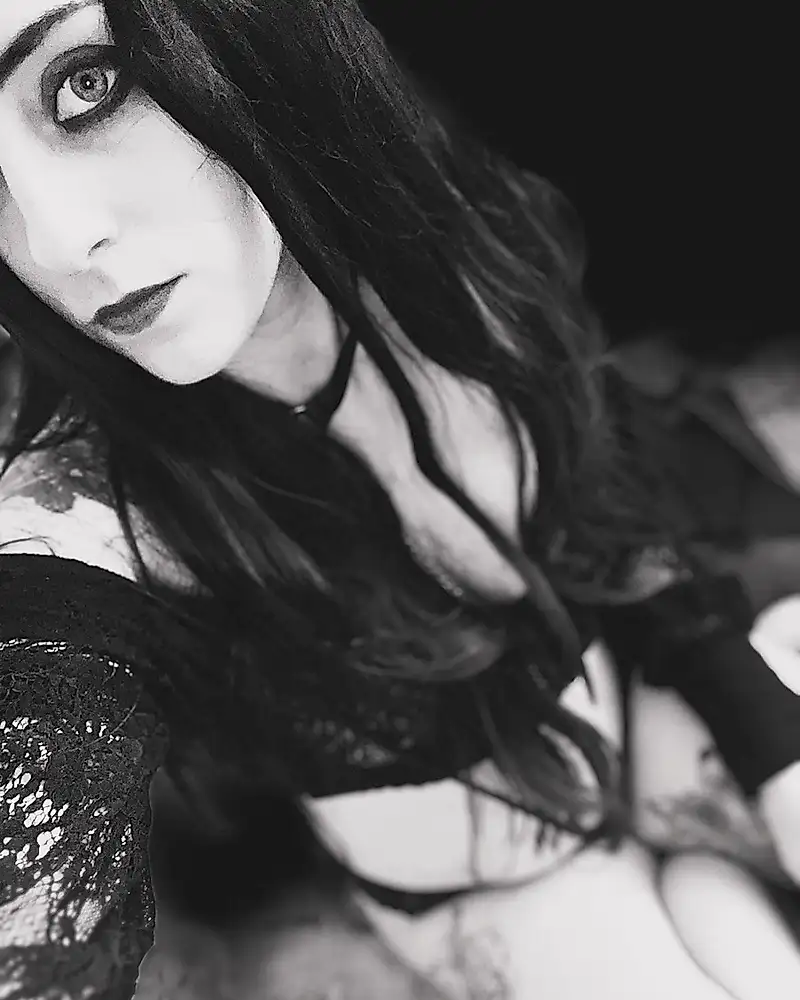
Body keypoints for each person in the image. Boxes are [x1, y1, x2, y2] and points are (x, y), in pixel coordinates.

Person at [1, 2, 800, 997]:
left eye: (88, 84)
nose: (57, 240)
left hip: (633, 697)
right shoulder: (82, 512)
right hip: (510, 897)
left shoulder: (433, 229)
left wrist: (768, 746)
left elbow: (614, 475)